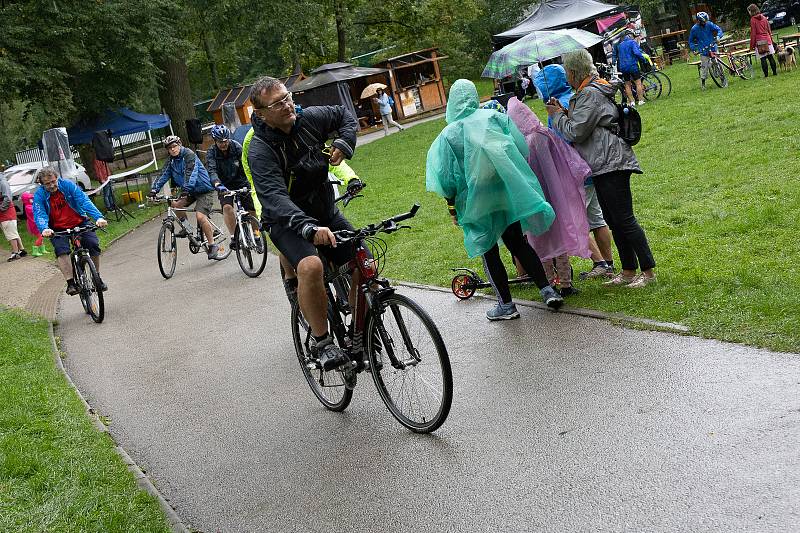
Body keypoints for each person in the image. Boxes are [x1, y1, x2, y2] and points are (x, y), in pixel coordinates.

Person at [246, 76, 361, 371]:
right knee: (311, 266)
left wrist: (345, 141)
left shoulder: (308, 118)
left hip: (324, 210)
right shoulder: (260, 150)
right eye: (278, 103)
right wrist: (308, 228)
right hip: (285, 221)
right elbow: (274, 198)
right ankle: (323, 343)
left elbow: (344, 114)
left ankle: (361, 330)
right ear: (261, 113)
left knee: (362, 259)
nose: (288, 104)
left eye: (288, 97)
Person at [426, 79, 564, 320]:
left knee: (488, 250)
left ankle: (506, 305)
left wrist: (452, 207)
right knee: (518, 243)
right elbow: (520, 148)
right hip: (504, 192)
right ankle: (547, 290)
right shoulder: (493, 118)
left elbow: (445, 176)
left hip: (474, 200)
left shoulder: (448, 135)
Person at [546, 50, 656, 288]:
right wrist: (564, 112)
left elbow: (575, 132)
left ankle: (648, 272)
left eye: (567, 72)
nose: (566, 77)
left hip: (610, 161)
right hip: (603, 162)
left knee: (624, 219)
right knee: (614, 220)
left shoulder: (588, 94)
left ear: (574, 72)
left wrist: (557, 117)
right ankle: (628, 270)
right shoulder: (588, 92)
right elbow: (583, 125)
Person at [533, 65, 616, 280]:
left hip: (575, 172)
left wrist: (551, 125)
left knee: (573, 218)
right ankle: (609, 263)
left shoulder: (561, 103)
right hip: (591, 168)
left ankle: (600, 263)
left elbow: (565, 139)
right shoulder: (572, 97)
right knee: (596, 218)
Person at [507, 97, 592, 297]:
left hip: (534, 200)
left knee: (539, 241)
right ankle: (565, 283)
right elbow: (563, 158)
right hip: (556, 195)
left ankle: (548, 283)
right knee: (559, 237)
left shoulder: (519, 142)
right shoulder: (544, 134)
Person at [32, 166, 108, 294]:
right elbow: (40, 214)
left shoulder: (68, 185)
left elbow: (84, 201)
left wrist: (98, 217)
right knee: (62, 251)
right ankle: (71, 283)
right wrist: (44, 228)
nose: (51, 185)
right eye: (47, 184)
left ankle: (97, 278)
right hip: (57, 228)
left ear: (57, 178)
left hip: (79, 221)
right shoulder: (40, 195)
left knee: (93, 245)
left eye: (53, 181)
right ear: (42, 184)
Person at [148, 135, 220, 259]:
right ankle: (188, 229)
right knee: (176, 205)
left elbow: (190, 173)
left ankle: (212, 245)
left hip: (203, 190)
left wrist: (186, 189)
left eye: (174, 146)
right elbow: (163, 175)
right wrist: (154, 190)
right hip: (189, 191)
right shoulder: (171, 161)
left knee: (200, 216)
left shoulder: (189, 155)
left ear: (179, 144)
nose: (172, 150)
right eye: (169, 148)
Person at [206, 125, 255, 248]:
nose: (224, 144)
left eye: (225, 140)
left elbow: (245, 164)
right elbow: (212, 171)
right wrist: (217, 184)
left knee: (251, 209)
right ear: (215, 141)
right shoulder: (211, 152)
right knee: (227, 207)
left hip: (241, 181)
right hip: (223, 185)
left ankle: (257, 234)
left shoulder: (236, 146)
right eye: (220, 142)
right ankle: (234, 237)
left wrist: (250, 182)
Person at [688, 11, 724, 90]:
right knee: (704, 67)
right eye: (704, 21)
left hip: (713, 47)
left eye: (706, 21)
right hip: (703, 50)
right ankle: (703, 83)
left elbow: (719, 30)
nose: (705, 23)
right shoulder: (694, 29)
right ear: (699, 21)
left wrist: (718, 37)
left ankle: (722, 79)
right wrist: (694, 48)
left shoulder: (709, 24)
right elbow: (690, 41)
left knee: (718, 63)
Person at [614, 30, 647, 106]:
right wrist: (643, 60)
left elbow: (615, 55)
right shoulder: (632, 42)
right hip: (632, 66)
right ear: (628, 36)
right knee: (638, 83)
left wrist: (613, 62)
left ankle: (632, 102)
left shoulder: (619, 45)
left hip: (623, 67)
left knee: (627, 84)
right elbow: (637, 53)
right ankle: (640, 100)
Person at [1, 173, 26, 261]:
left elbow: (7, 198)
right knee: (13, 231)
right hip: (5, 212)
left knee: (10, 233)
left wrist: (1, 208)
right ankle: (22, 250)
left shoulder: (2, 183)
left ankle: (15, 253)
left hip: (6, 212)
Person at [748, 4, 778, 77]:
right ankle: (774, 73)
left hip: (759, 41)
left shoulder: (753, 20)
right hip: (767, 39)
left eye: (749, 11)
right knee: (771, 57)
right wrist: (771, 39)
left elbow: (753, 34)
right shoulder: (764, 18)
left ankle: (766, 75)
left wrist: (751, 46)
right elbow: (769, 30)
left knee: (763, 58)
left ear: (751, 11)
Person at [22, 191, 47, 256]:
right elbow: (35, 210)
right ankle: (35, 251)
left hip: (36, 224)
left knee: (41, 236)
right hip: (34, 225)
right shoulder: (28, 207)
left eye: (32, 198)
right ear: (26, 200)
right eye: (30, 199)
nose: (32, 200)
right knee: (40, 237)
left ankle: (42, 249)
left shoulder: (31, 205)